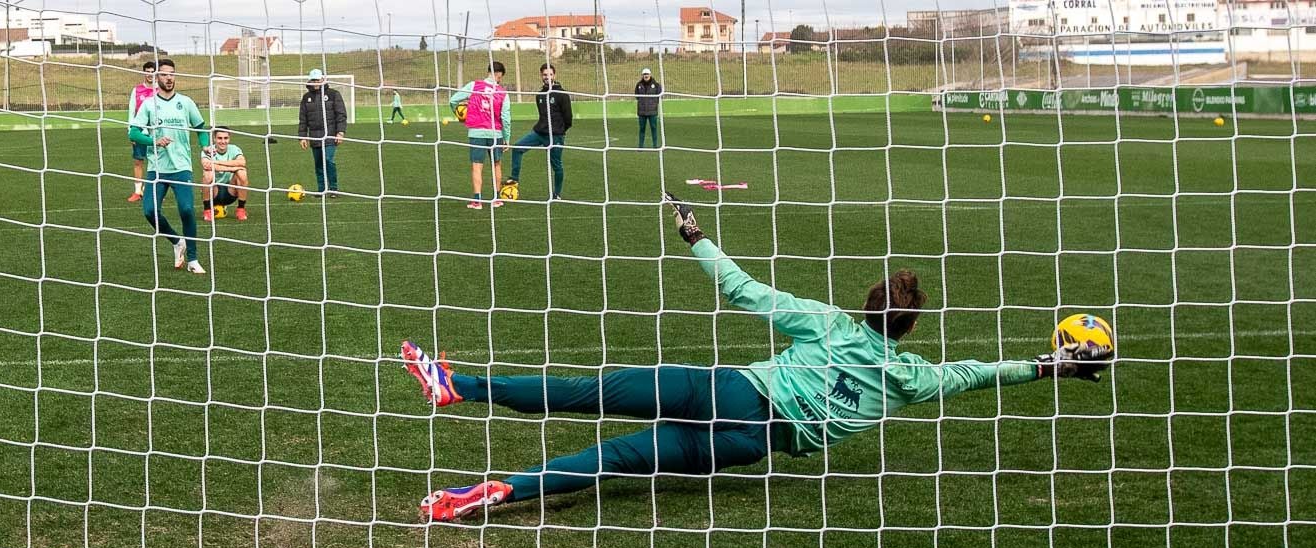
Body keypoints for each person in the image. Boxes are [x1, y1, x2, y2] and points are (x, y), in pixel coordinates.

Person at [401, 193, 1114, 522]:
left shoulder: (827, 323)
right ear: (906, 328)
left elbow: (743, 291)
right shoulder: (912, 379)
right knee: (615, 460)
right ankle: (504, 491)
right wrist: (1048, 365)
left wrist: (694, 234)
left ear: (866, 306)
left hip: (730, 393)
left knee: (586, 391)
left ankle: (457, 384)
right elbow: (973, 374)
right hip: (755, 444)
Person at [128, 58, 209, 275]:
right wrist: (154, 141)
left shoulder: (186, 102)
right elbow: (133, 132)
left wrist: (205, 147)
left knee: (187, 209)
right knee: (149, 211)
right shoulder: (148, 105)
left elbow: (201, 128)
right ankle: (176, 241)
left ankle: (192, 259)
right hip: (157, 168)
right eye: (164, 74)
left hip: (182, 166)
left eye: (172, 73)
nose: (169, 78)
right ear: (156, 78)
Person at [505, 63, 572, 200]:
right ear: (541, 76)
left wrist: (560, 131)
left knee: (556, 165)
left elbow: (568, 118)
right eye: (545, 75)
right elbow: (542, 115)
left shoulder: (562, 94)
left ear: (555, 75)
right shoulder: (540, 94)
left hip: (556, 136)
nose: (547, 77)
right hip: (539, 133)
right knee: (517, 148)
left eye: (550, 74)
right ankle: (514, 178)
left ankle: (557, 194)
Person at [449, 61, 511, 209]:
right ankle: (497, 199)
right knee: (496, 164)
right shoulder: (502, 92)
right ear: (498, 74)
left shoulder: (474, 86)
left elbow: (453, 100)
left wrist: (459, 115)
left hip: (476, 131)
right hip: (495, 133)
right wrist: (506, 138)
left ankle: (477, 201)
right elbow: (506, 117)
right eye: (500, 77)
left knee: (477, 166)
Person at [297, 69, 347, 197]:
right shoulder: (306, 97)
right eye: (313, 80)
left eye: (317, 80)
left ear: (323, 79)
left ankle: (333, 189)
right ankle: (321, 189)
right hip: (314, 136)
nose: (315, 83)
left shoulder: (333, 94)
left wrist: (340, 132)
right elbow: (303, 119)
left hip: (330, 134)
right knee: (318, 163)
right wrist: (302, 137)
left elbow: (341, 115)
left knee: (328, 160)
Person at [126, 61, 158, 203]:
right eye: (148, 71)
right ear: (144, 73)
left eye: (153, 71)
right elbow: (132, 111)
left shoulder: (160, 90)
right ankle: (137, 191)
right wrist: (130, 131)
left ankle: (152, 190)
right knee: (138, 161)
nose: (150, 74)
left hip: (156, 133)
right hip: (140, 132)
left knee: (156, 162)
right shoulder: (137, 90)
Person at [202, 127, 249, 222]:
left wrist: (217, 163)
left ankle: (241, 209)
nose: (223, 141)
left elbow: (242, 162)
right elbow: (207, 165)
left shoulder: (234, 149)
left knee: (242, 172)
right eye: (220, 138)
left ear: (229, 138)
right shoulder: (208, 150)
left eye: (225, 138)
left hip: (230, 191)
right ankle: (207, 210)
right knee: (208, 174)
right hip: (214, 193)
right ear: (214, 139)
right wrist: (233, 168)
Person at [634, 68, 663, 148]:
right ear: (642, 75)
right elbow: (637, 96)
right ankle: (640, 146)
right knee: (642, 129)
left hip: (652, 111)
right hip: (642, 111)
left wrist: (653, 103)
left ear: (650, 75)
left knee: (654, 128)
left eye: (647, 74)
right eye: (644, 74)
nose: (646, 76)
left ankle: (655, 145)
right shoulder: (639, 85)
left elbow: (660, 96)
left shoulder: (656, 85)